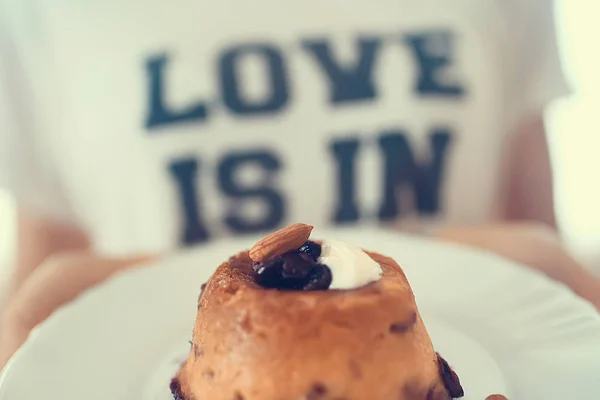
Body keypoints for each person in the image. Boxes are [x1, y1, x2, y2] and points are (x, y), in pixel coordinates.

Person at [1, 0, 599, 367]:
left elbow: (537, 276)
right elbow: (44, 299)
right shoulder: (39, 13)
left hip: (417, 355)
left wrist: (564, 283)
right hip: (204, 359)